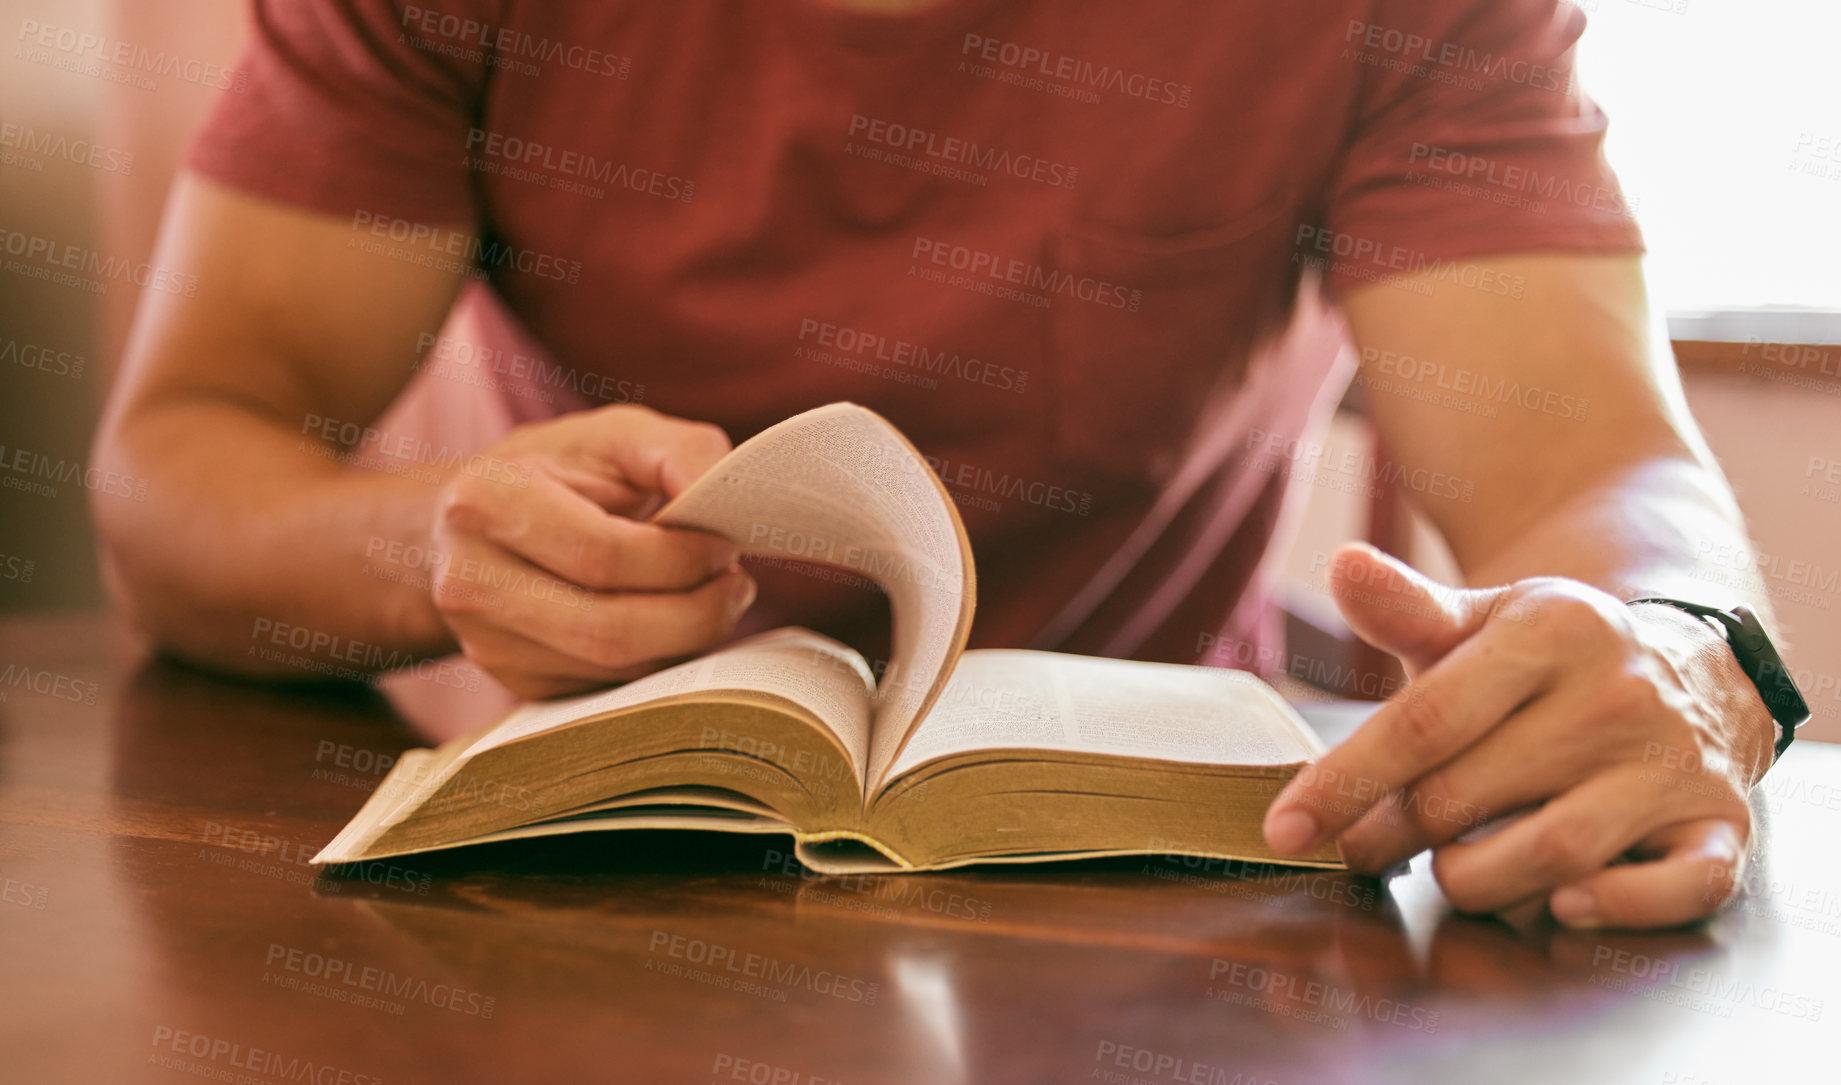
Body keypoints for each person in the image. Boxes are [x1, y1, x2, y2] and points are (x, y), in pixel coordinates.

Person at [91, 0, 1782, 931]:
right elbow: (174, 474)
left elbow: (1601, 462)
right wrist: (426, 553)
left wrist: (1678, 637)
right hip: (587, 861)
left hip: (1179, 882)